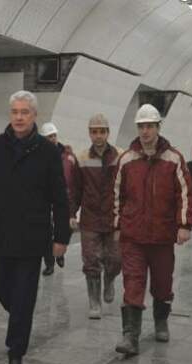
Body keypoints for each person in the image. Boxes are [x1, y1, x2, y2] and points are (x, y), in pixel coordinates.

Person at [0, 90, 70, 364]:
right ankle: (20, 316)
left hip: (32, 235)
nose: (19, 117)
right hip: (1, 232)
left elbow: (60, 198)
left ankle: (16, 352)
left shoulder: (48, 152)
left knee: (24, 294)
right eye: (14, 112)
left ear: (34, 116)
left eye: (24, 112)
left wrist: (61, 237)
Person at [113, 104, 192, 356]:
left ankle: (161, 322)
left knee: (162, 283)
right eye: (141, 126)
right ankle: (130, 336)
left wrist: (184, 225)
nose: (145, 131)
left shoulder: (173, 158)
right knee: (132, 282)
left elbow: (185, 194)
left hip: (162, 236)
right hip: (133, 236)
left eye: (150, 126)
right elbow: (116, 195)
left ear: (158, 127)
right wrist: (117, 225)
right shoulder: (127, 160)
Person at [69, 113, 123, 319]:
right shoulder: (81, 158)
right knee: (91, 260)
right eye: (94, 132)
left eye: (102, 131)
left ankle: (109, 279)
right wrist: (71, 213)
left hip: (114, 218)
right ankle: (94, 301)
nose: (98, 135)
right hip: (90, 218)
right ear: (89, 134)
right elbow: (75, 189)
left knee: (115, 259)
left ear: (108, 133)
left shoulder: (120, 156)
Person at [39, 122, 77, 276]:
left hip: (64, 198)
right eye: (49, 137)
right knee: (46, 232)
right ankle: (49, 263)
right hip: (45, 199)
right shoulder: (38, 156)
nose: (53, 139)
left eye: (54, 135)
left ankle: (60, 253)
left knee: (66, 227)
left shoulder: (68, 157)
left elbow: (75, 179)